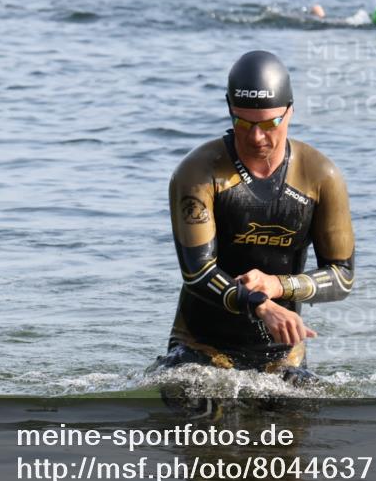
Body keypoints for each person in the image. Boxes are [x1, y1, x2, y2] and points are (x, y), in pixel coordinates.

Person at [151, 50, 355, 384]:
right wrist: (258, 302)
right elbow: (197, 272)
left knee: (292, 429)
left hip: (282, 353)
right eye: (242, 123)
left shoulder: (320, 175)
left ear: (290, 111)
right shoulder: (198, 173)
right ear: (229, 109)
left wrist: (278, 286)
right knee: (200, 417)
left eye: (269, 124)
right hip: (201, 345)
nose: (256, 137)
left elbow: (342, 277)